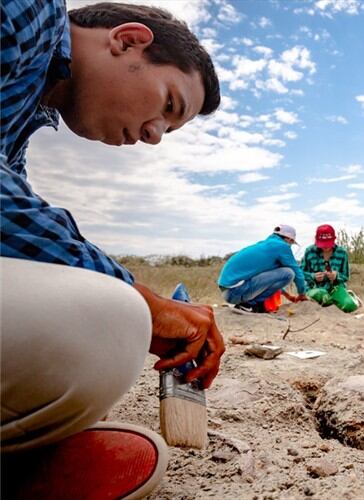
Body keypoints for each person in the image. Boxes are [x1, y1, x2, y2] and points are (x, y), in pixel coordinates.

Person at [1, 2, 223, 498]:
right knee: (111, 316)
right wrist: (140, 299)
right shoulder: (27, 11)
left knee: (91, 337)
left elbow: (21, 234)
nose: (154, 136)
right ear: (126, 40)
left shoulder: (21, 120)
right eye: (168, 105)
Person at [217, 225, 307, 313]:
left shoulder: (265, 245)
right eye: (292, 243)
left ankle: (249, 305)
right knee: (289, 273)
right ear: (289, 239)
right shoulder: (281, 246)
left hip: (229, 291)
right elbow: (297, 273)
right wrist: (302, 294)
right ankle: (249, 305)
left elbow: (268, 281)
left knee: (285, 272)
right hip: (235, 291)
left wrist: (287, 295)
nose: (290, 246)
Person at [301, 224, 358, 313]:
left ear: (334, 239)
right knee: (322, 294)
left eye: (328, 243)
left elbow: (346, 276)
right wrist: (313, 276)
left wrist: (336, 276)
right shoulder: (309, 251)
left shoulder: (342, 253)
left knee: (349, 306)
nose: (326, 247)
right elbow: (300, 273)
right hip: (314, 289)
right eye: (323, 244)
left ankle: (347, 297)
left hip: (335, 288)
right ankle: (335, 301)